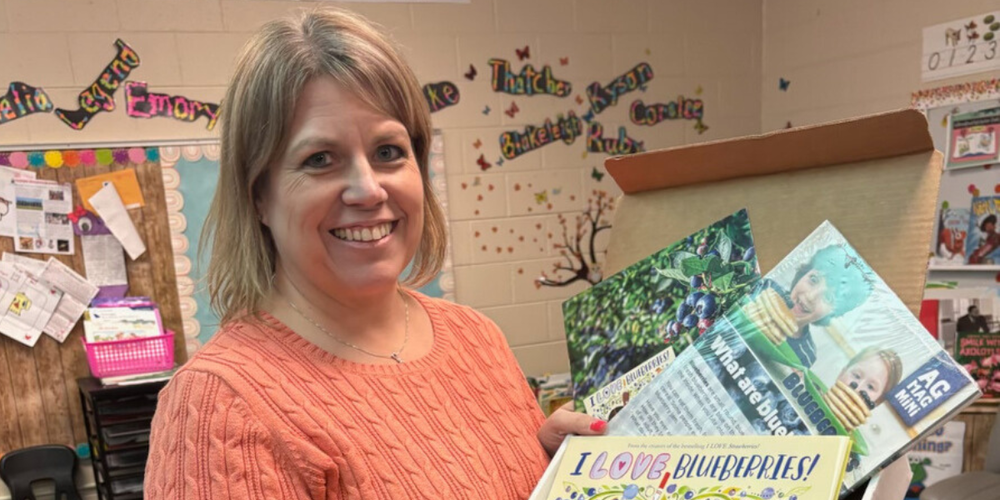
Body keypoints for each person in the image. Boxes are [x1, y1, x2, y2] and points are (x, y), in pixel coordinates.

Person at [144, 9, 604, 499]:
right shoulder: (221, 408)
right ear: (259, 194)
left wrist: (551, 469)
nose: (367, 190)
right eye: (320, 159)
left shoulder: (475, 337)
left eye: (388, 152)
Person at [750, 245, 873, 367]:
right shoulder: (764, 288)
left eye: (828, 297)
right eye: (814, 279)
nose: (810, 296)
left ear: (834, 312)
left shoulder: (804, 356)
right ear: (803, 274)